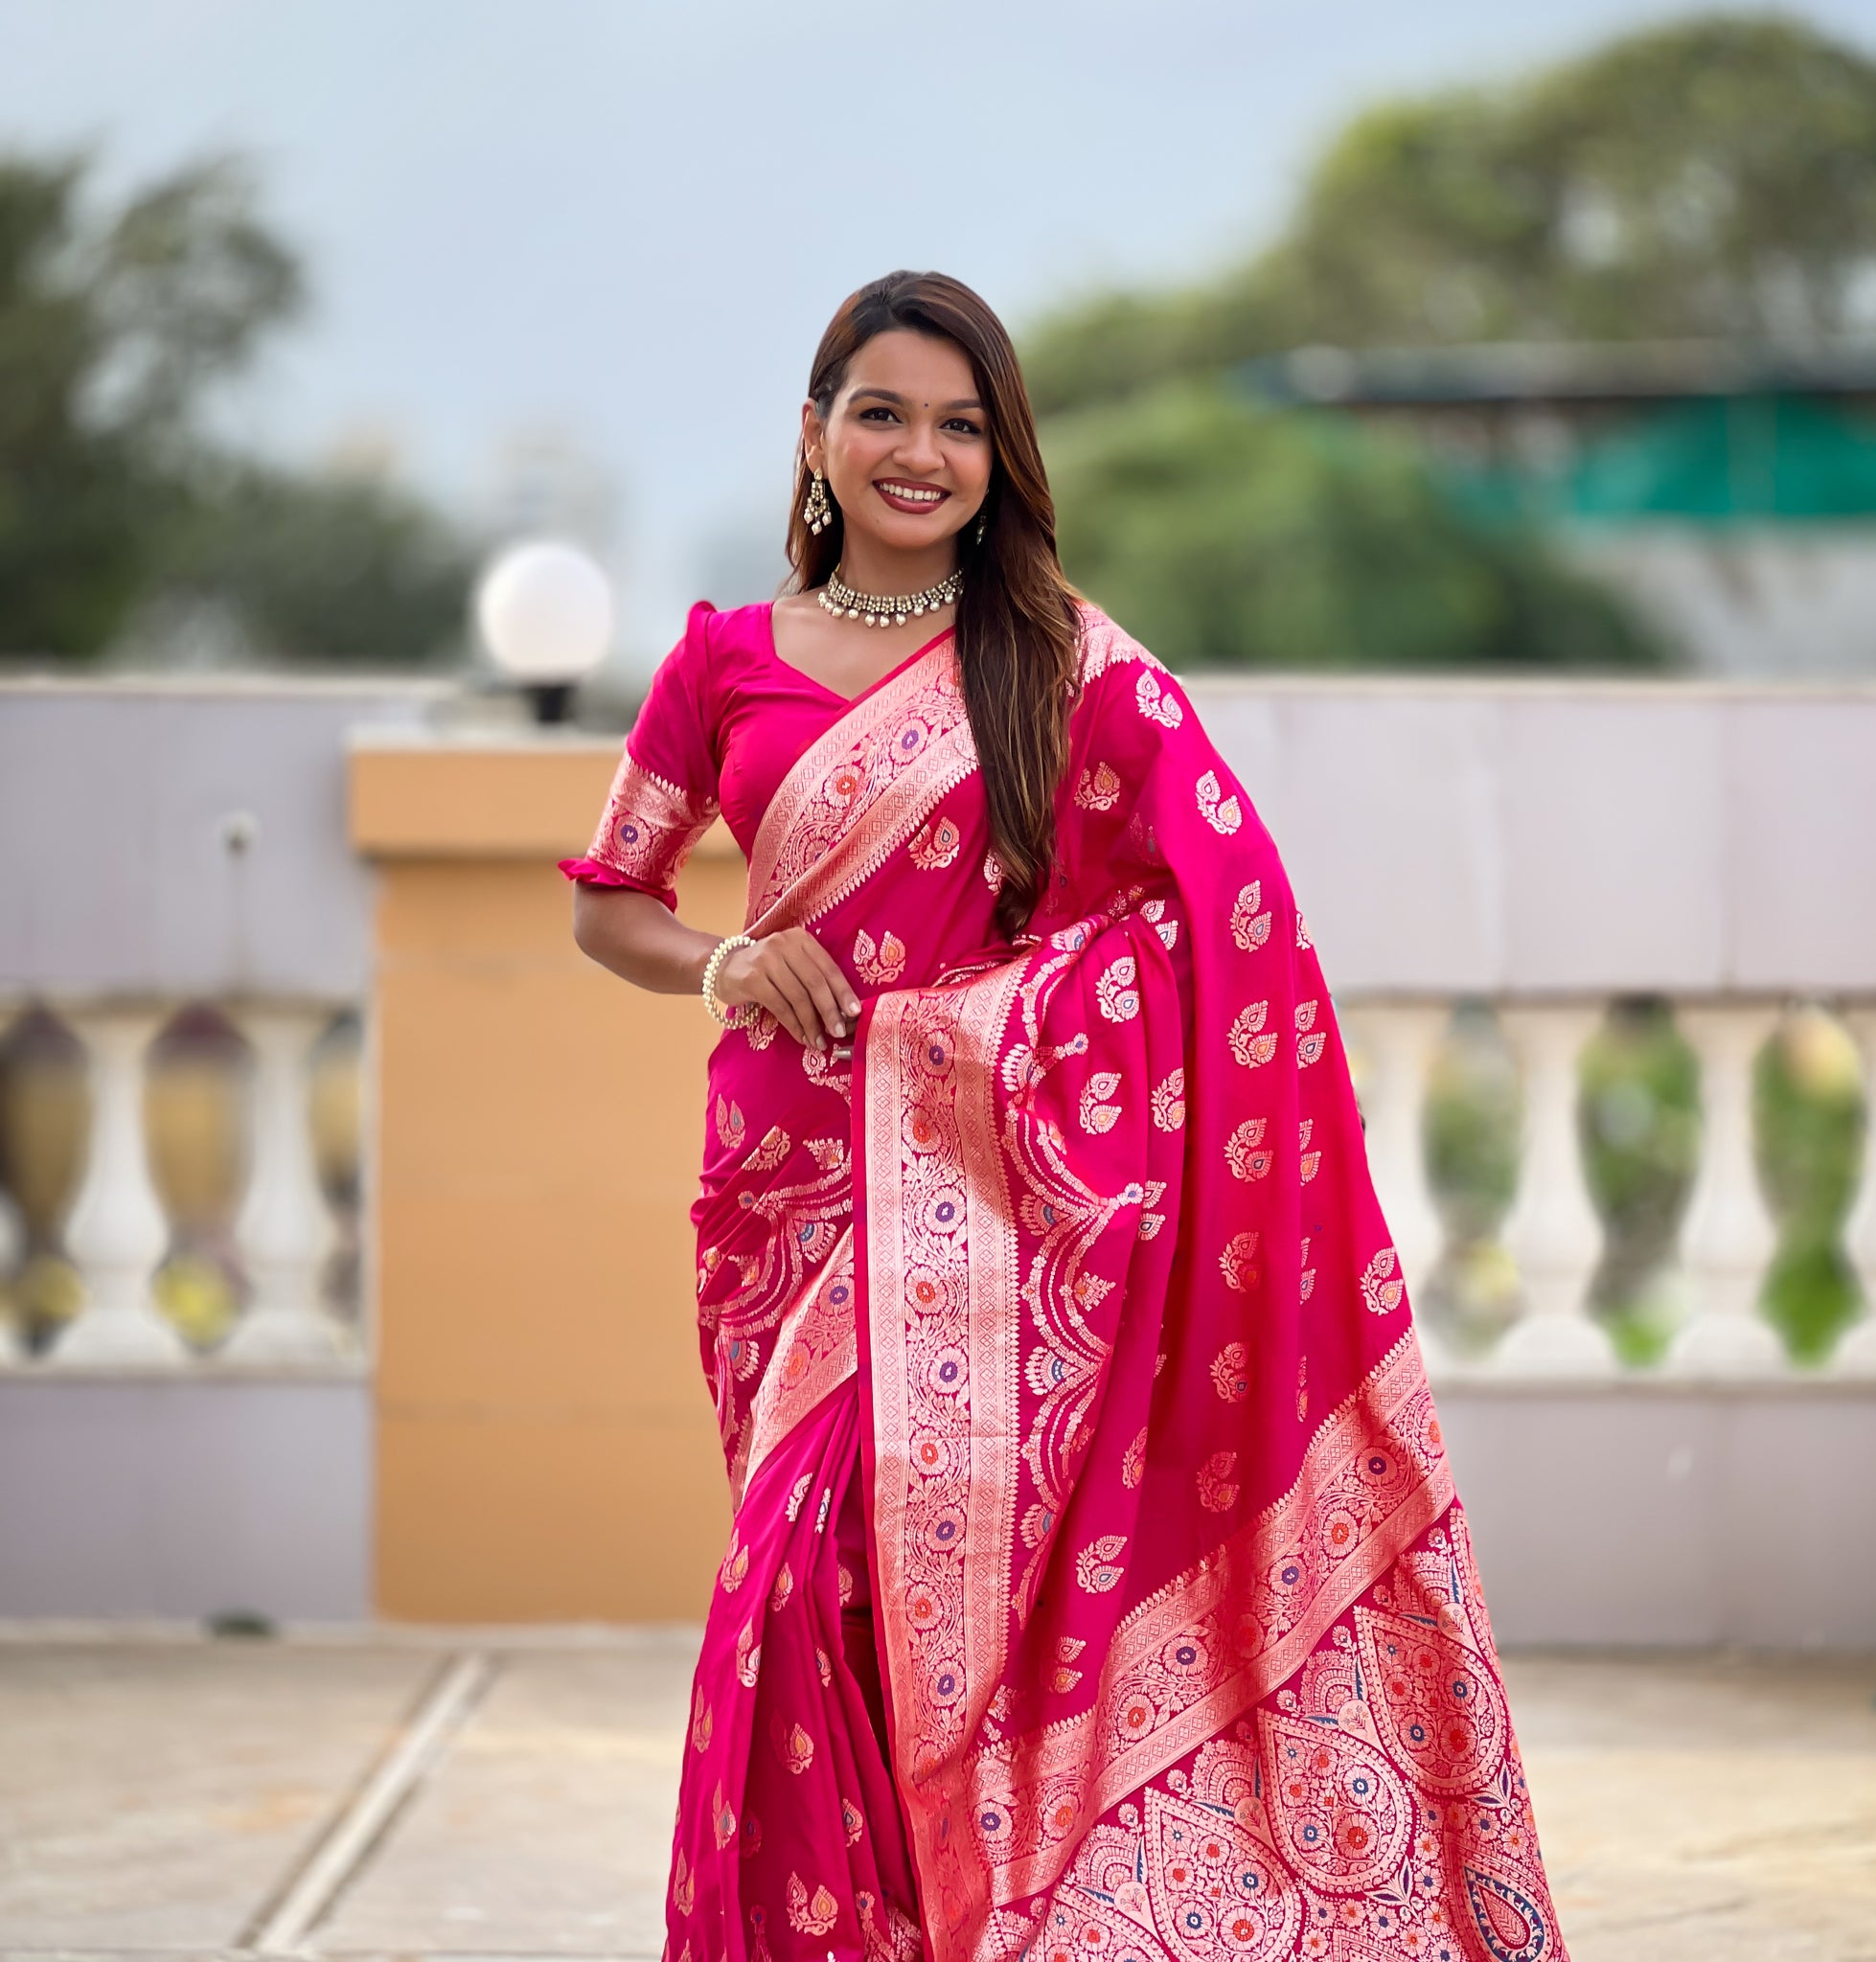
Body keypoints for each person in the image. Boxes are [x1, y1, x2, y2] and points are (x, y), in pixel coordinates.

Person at [564, 270, 1566, 1962]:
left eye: (961, 426)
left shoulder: (1059, 662)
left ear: (999, 459)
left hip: (999, 1208)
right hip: (788, 1197)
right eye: (882, 413)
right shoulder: (719, 662)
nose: (919, 453)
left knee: (857, 1583)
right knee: (799, 1605)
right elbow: (610, 900)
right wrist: (733, 963)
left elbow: (1219, 910)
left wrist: (982, 1033)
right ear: (814, 436)